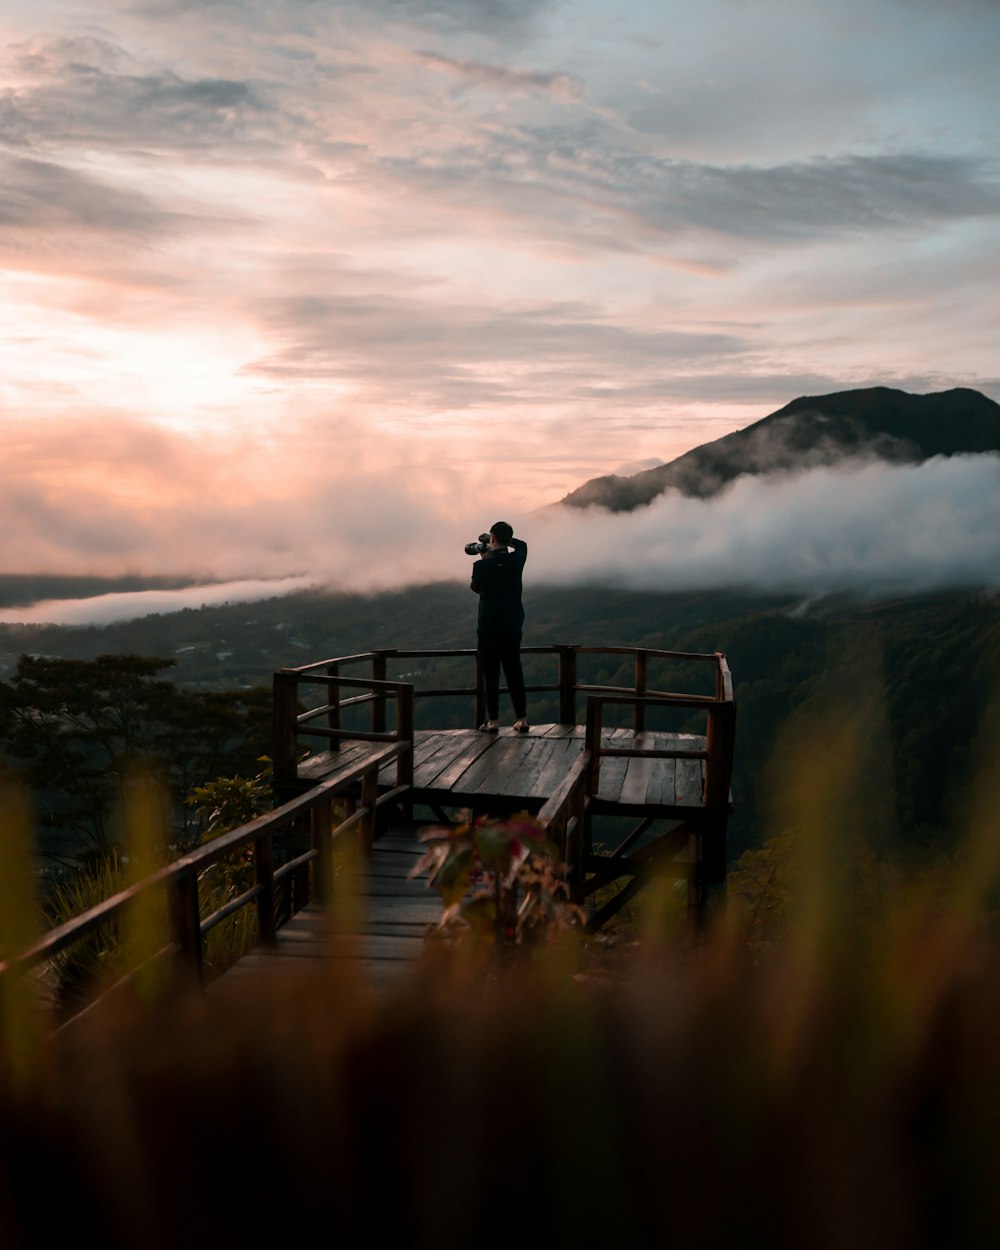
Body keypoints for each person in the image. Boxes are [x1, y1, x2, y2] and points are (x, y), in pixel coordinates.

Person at [470, 521, 529, 733]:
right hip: (513, 626)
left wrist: (485, 557)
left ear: (491, 539)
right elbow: (522, 545)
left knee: (491, 673)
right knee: (514, 670)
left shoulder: (481, 566)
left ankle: (493, 722)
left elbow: (476, 588)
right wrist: (501, 541)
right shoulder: (517, 559)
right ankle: (522, 719)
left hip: (489, 628)